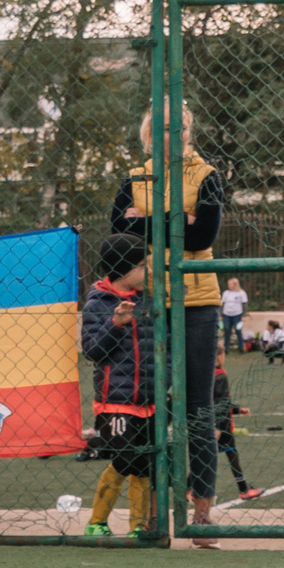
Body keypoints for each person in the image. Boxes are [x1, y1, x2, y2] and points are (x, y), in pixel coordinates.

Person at [110, 106, 225, 545]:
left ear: (189, 132)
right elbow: (119, 234)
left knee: (197, 409)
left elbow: (203, 238)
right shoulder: (134, 179)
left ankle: (201, 513)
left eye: (180, 126)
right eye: (162, 127)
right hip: (150, 301)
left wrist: (148, 223)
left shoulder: (208, 175)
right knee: (151, 406)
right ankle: (154, 511)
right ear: (147, 134)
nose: (172, 133)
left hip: (196, 302)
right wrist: (179, 221)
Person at [80, 234, 156, 537]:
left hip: (147, 401)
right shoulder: (98, 302)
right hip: (115, 401)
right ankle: (96, 522)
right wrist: (116, 324)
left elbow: (159, 346)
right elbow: (92, 350)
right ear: (124, 268)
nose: (147, 271)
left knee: (144, 464)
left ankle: (139, 526)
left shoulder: (147, 299)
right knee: (126, 460)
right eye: (142, 265)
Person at [211, 354, 259, 499]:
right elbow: (220, 403)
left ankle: (243, 489)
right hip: (222, 425)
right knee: (229, 456)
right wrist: (218, 426)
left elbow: (217, 402)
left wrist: (238, 409)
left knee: (211, 456)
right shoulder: (220, 376)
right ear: (219, 356)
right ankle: (244, 490)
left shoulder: (209, 374)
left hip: (216, 422)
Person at [219, 277, 249, 352]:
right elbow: (222, 304)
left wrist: (244, 315)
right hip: (226, 315)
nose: (229, 285)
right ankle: (225, 348)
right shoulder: (226, 293)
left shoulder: (241, 293)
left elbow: (244, 304)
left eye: (230, 284)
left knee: (238, 330)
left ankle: (241, 347)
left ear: (235, 284)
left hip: (237, 315)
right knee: (227, 330)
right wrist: (220, 314)